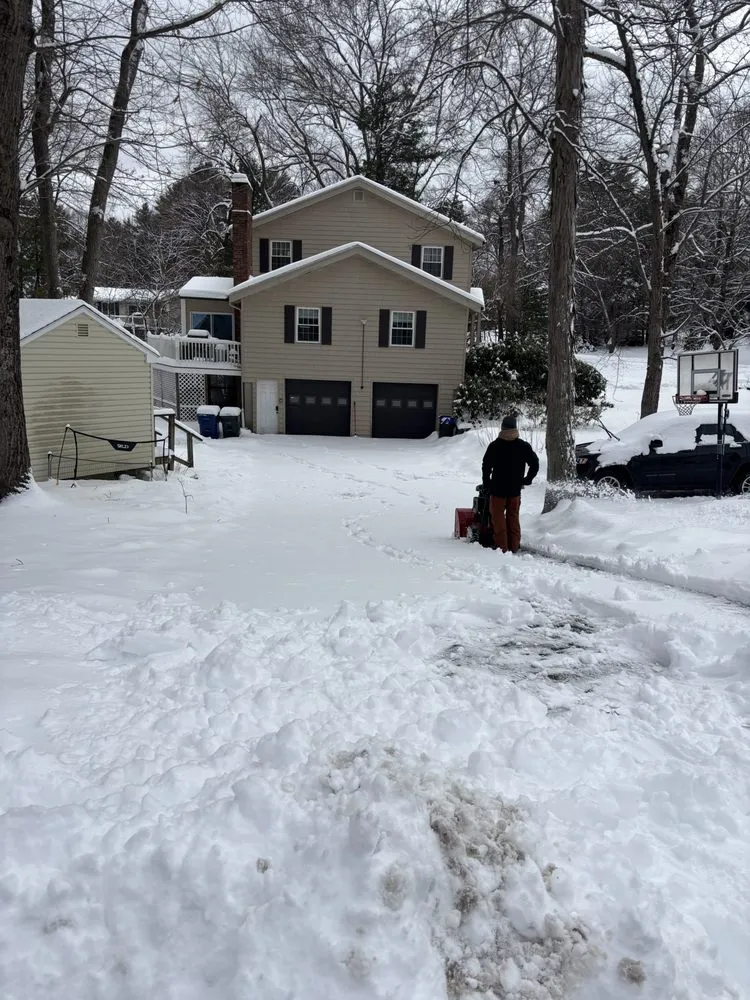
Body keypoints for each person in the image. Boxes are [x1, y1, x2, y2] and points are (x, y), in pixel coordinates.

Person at [481, 415, 539, 553]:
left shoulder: (495, 446)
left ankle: (502, 548)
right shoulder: (523, 446)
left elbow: (486, 467)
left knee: (498, 519)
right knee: (513, 519)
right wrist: (527, 480)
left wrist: (486, 483)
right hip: (514, 490)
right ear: (515, 428)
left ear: (502, 428)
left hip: (497, 490)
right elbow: (535, 464)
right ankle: (514, 546)